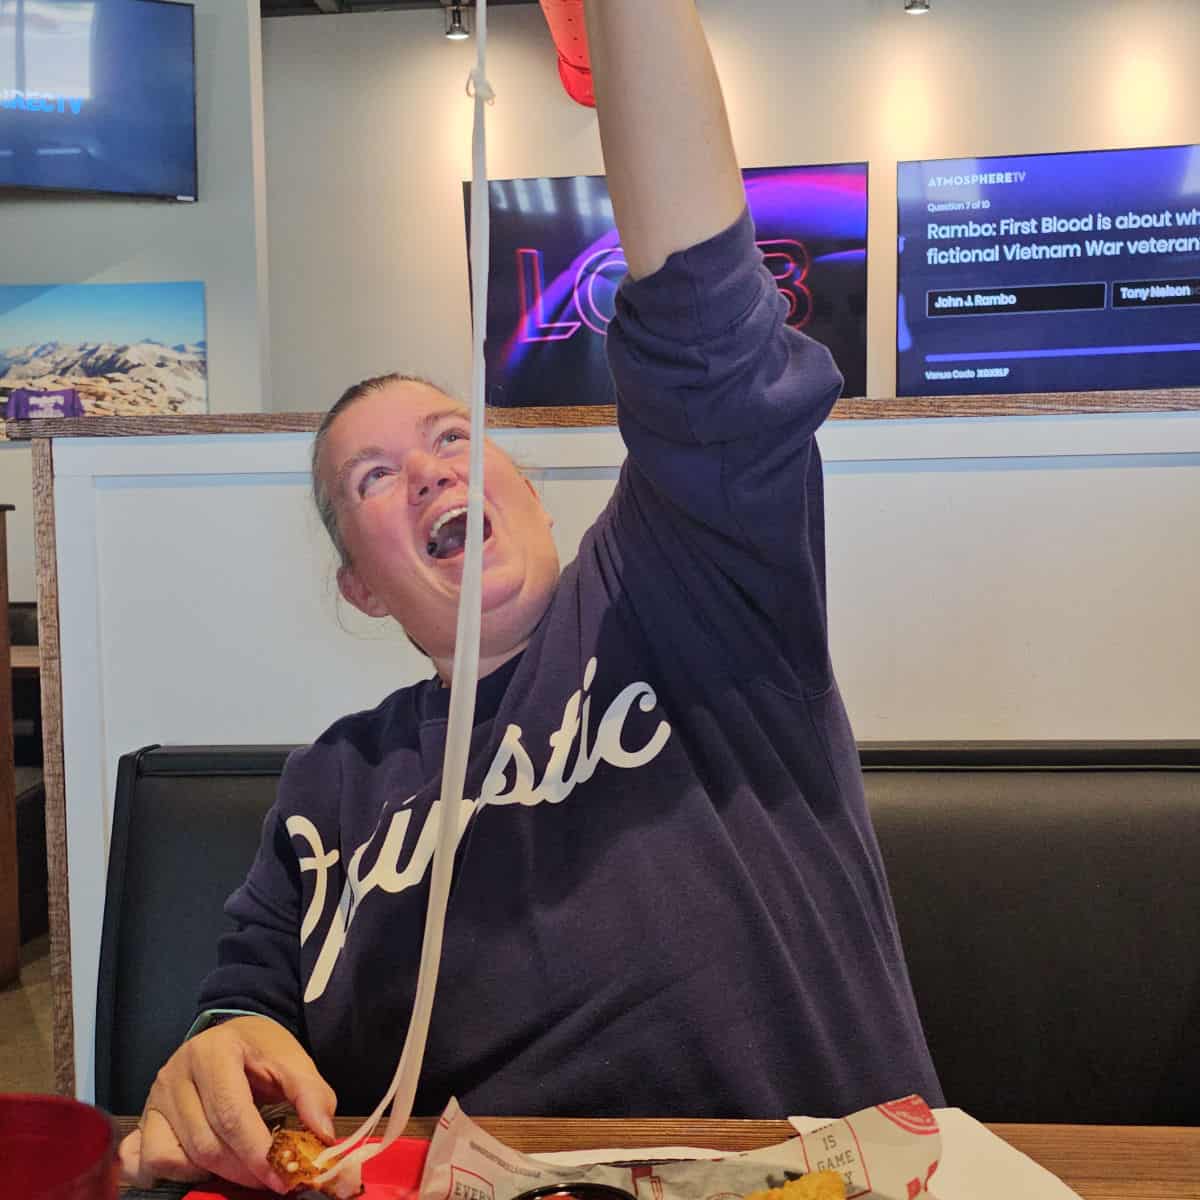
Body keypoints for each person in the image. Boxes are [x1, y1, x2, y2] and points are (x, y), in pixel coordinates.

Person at [119, 0, 942, 1192]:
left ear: (536, 494)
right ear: (361, 585)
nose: (431, 471)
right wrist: (218, 1050)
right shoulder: (334, 784)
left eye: (454, 435)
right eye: (373, 477)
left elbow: (709, 333)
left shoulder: (685, 582)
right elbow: (247, 1002)